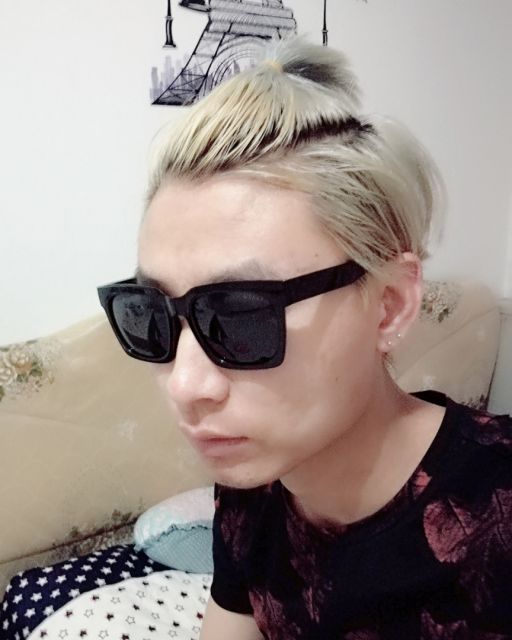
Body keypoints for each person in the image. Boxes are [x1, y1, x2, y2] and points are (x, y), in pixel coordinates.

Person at [97, 36, 512, 638]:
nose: (186, 385)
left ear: (390, 305)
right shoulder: (252, 485)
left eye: (241, 317)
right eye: (150, 315)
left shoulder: (498, 510)